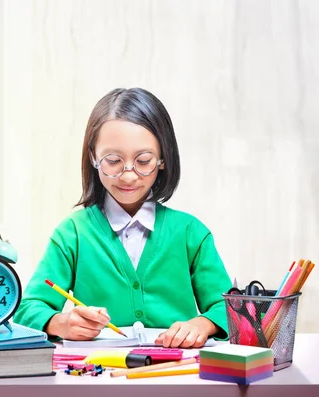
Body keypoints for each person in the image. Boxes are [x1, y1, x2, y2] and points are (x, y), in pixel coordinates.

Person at [14, 88, 232, 348]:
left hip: (176, 374)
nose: (128, 176)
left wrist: (202, 325)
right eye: (113, 160)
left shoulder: (191, 233)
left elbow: (230, 309)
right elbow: (27, 309)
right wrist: (60, 322)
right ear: (93, 158)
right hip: (97, 376)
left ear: (163, 159)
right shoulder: (73, 233)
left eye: (143, 161)